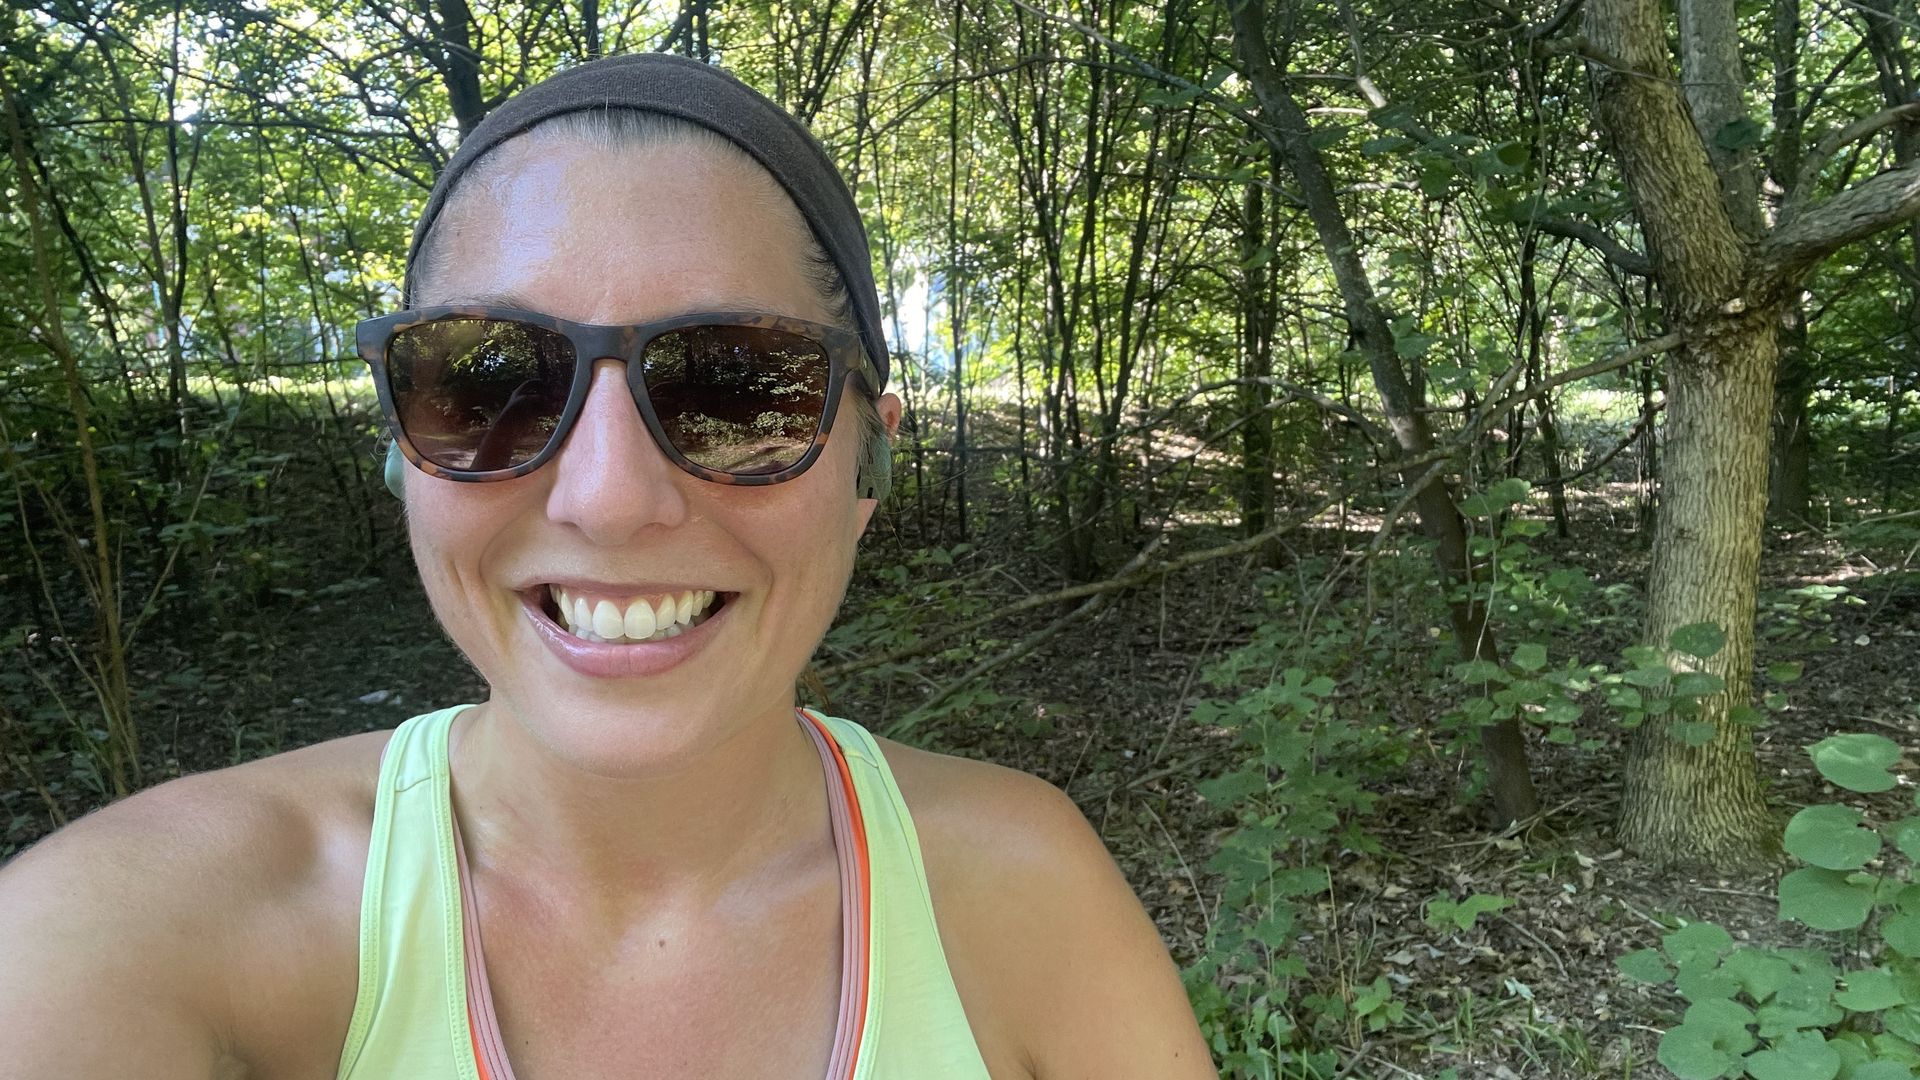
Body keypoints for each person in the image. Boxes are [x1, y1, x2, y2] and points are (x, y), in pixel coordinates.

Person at [0, 54, 1215, 1079]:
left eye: (741, 385)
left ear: (866, 471)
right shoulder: (132, 936)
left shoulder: (1025, 895)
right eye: (487, 383)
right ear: (400, 454)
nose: (610, 499)